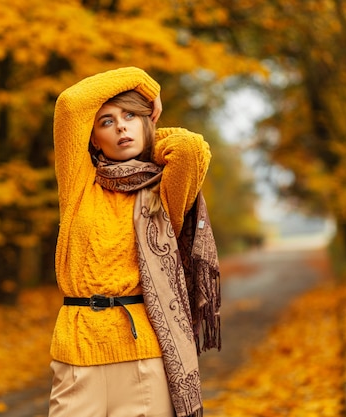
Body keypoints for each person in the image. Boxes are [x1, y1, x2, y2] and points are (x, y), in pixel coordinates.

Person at [49, 66, 220, 417]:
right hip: (77, 354)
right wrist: (143, 82)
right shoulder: (78, 184)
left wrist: (150, 135)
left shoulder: (163, 192)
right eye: (107, 122)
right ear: (93, 138)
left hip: (143, 357)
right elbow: (71, 103)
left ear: (147, 123)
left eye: (130, 116)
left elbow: (190, 148)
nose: (121, 126)